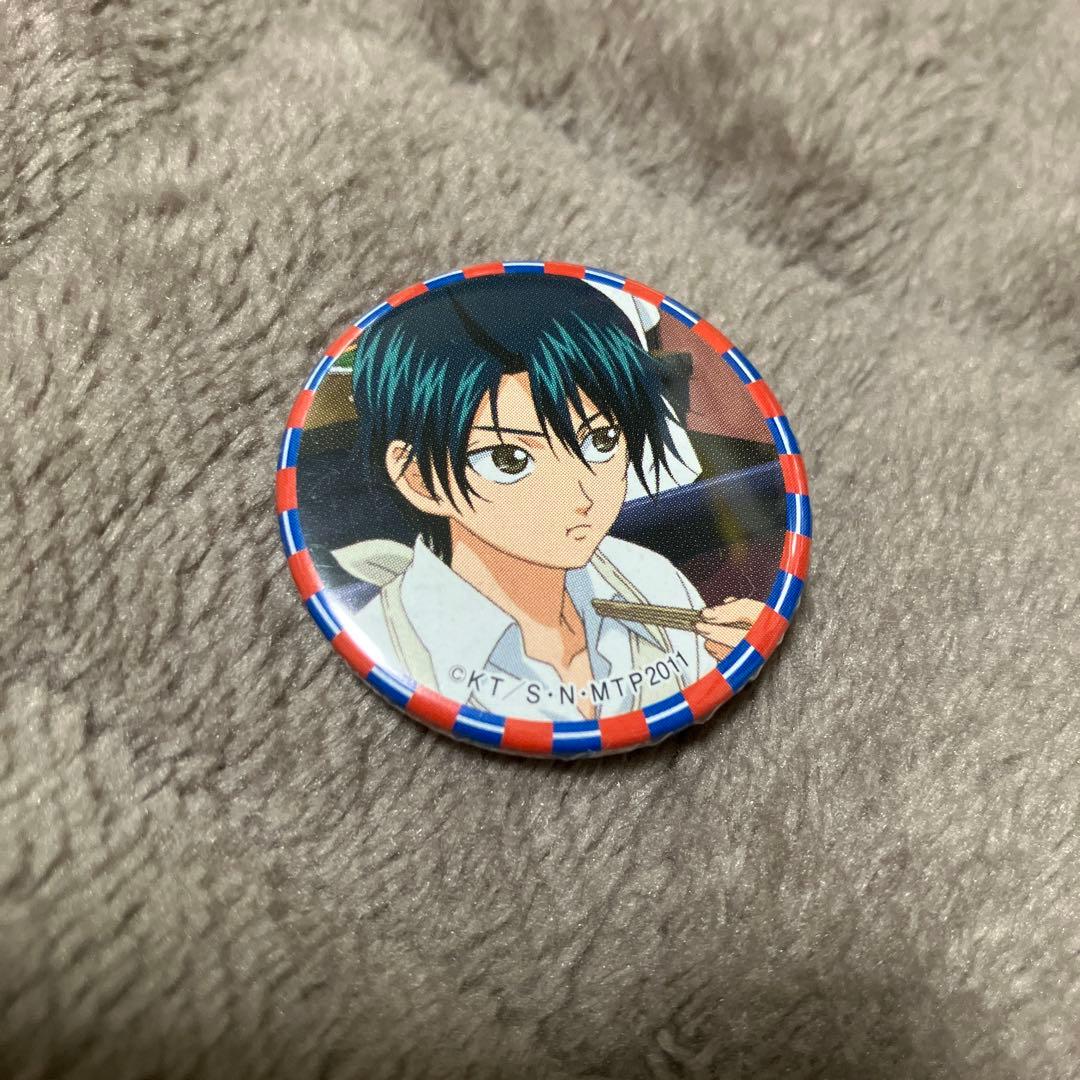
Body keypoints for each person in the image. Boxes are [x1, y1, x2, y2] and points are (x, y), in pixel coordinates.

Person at [335, 274, 763, 721]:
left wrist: (727, 658)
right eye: (508, 459)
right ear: (419, 479)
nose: (580, 493)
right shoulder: (389, 644)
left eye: (600, 440)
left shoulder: (652, 580)